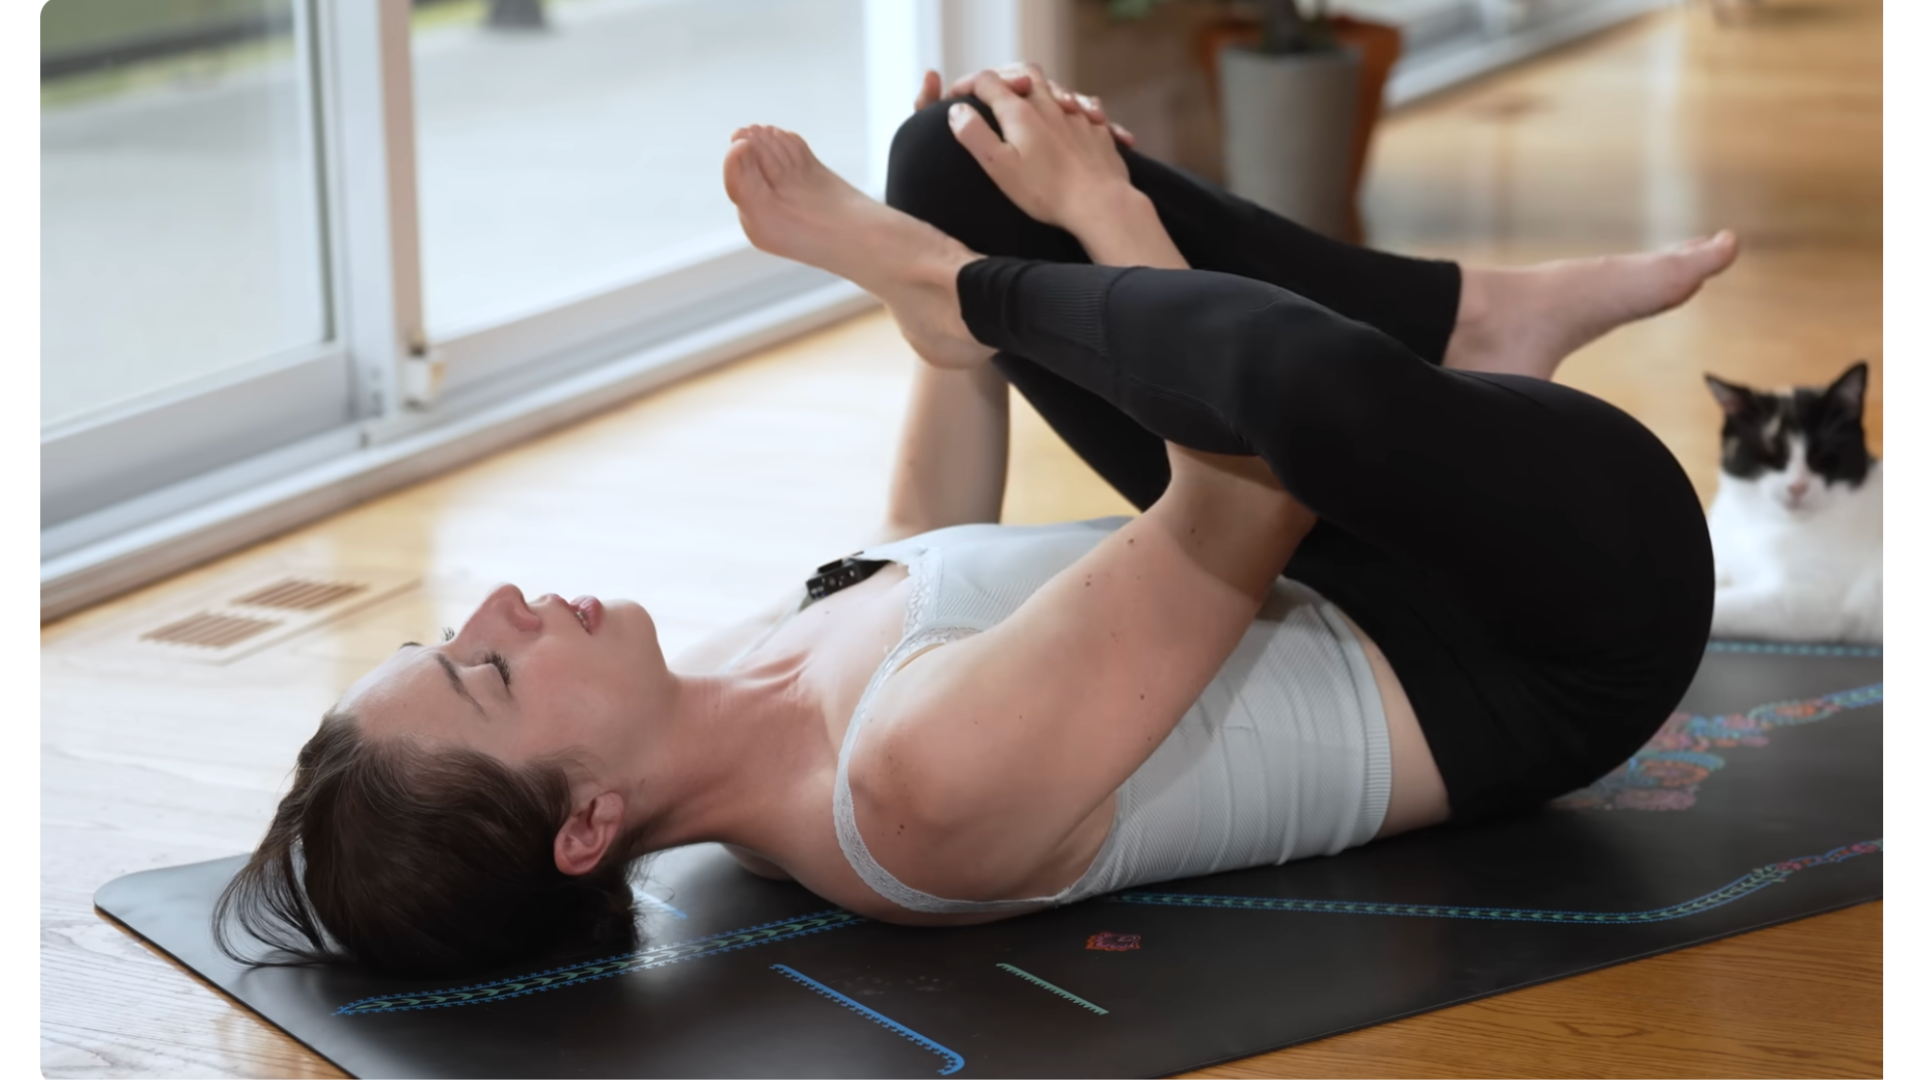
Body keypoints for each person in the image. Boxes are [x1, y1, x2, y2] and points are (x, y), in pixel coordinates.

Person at [217, 66, 1730, 978]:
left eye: (449, 632)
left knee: (953, 154)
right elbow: (1246, 486)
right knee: (1264, 372)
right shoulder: (915, 797)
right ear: (588, 823)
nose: (496, 611)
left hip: (1361, 542)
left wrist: (952, 359)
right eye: (485, 674)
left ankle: (1479, 327)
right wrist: (1049, 239)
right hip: (1546, 636)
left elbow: (931, 554)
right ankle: (1437, 349)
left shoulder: (737, 693)